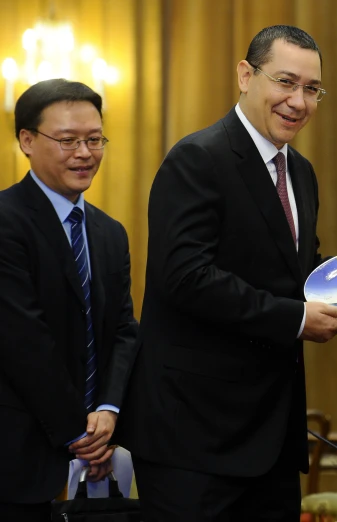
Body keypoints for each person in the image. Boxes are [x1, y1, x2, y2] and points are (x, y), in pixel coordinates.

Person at [118, 25, 337, 521]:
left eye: (312, 89)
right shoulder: (197, 159)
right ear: (246, 75)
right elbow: (186, 277)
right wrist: (296, 320)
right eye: (285, 82)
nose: (298, 101)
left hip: (271, 438)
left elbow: (302, 277)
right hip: (195, 440)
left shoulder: (300, 171)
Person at [0, 79, 138, 522]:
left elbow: (122, 330)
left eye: (94, 139)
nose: (84, 153)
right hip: (17, 454)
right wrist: (81, 432)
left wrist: (109, 410)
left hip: (99, 444)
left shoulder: (110, 232)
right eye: (67, 140)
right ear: (26, 140)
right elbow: (23, 340)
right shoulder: (6, 222)